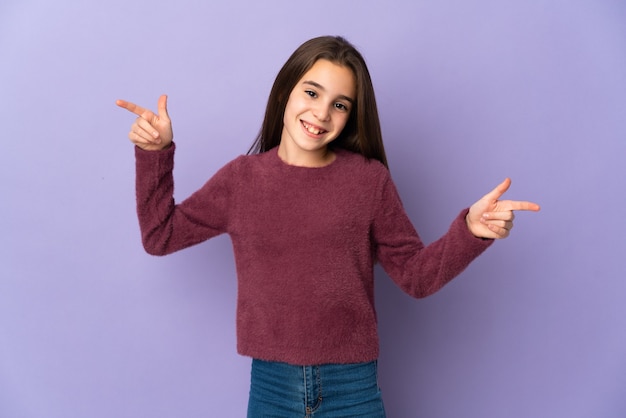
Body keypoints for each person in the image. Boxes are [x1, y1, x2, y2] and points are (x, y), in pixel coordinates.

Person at [117, 35, 540, 417]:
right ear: (286, 91)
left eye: (340, 104)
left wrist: (470, 229)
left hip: (353, 389)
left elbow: (416, 277)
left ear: (350, 116)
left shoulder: (368, 181)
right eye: (312, 92)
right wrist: (156, 153)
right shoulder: (241, 181)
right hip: (271, 389)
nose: (321, 113)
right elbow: (161, 235)